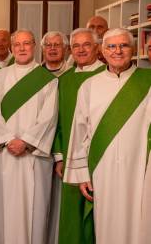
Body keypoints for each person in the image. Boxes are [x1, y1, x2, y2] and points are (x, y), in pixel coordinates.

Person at [64, 28, 151, 244]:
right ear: (103, 51)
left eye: (124, 45)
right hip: (103, 170)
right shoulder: (89, 86)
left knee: (142, 223)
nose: (118, 51)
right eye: (111, 46)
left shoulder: (148, 81)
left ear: (133, 49)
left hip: (141, 169)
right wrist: (83, 173)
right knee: (107, 225)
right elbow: (79, 132)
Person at [0, 29, 58, 244]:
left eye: (27, 44)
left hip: (34, 155)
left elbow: (49, 117)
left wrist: (26, 141)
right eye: (17, 44)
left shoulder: (48, 80)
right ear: (11, 48)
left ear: (34, 46)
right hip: (5, 153)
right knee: (6, 206)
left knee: (36, 208)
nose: (22, 48)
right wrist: (8, 139)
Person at [50, 28, 105, 244]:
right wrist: (60, 156)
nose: (81, 50)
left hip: (99, 154)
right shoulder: (65, 80)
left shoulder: (106, 75)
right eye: (76, 46)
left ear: (97, 47)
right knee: (72, 211)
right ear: (70, 50)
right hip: (72, 156)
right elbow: (59, 121)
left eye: (86, 44)